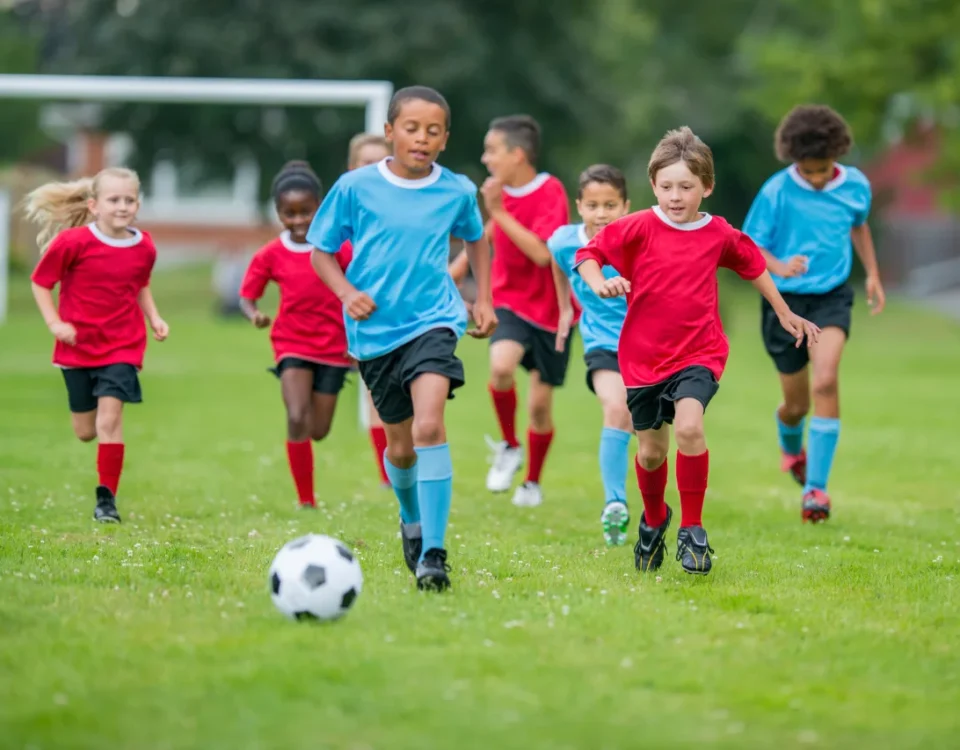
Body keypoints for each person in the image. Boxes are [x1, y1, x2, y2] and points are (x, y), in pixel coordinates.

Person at [575, 126, 820, 575]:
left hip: (699, 353)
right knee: (651, 452)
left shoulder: (718, 233)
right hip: (643, 359)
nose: (675, 195)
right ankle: (654, 520)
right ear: (653, 186)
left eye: (686, 186)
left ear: (706, 187)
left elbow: (754, 265)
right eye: (666, 186)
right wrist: (599, 283)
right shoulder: (637, 227)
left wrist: (785, 313)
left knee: (689, 427)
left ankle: (693, 529)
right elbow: (588, 254)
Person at [308, 85, 497, 592]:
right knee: (401, 448)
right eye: (411, 128)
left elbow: (476, 237)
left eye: (432, 131)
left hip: (434, 321)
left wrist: (482, 298)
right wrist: (347, 292)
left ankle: (434, 552)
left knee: (430, 425)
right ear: (390, 132)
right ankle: (410, 518)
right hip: (374, 332)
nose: (421, 138)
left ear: (445, 139)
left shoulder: (456, 190)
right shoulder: (354, 187)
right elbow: (320, 252)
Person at [743, 104, 884, 523]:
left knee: (826, 381)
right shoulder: (775, 192)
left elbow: (859, 226)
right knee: (796, 406)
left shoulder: (856, 186)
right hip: (784, 306)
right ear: (794, 160)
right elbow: (749, 248)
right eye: (809, 171)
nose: (818, 178)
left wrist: (873, 273)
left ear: (837, 155)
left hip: (831, 299)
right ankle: (790, 446)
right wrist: (781, 265)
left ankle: (816, 491)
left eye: (824, 169)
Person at [26, 167, 168, 524]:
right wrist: (55, 323)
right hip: (77, 348)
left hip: (123, 346)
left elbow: (139, 284)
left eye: (129, 200)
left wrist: (154, 317)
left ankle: (107, 501)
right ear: (94, 205)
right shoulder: (72, 243)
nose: (123, 206)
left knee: (110, 419)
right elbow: (41, 282)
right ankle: (104, 484)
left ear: (138, 203)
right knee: (86, 431)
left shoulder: (145, 246)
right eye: (114, 199)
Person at [239, 161, 352, 509]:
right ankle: (306, 501)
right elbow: (247, 295)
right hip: (292, 343)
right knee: (296, 416)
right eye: (290, 213)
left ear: (320, 207)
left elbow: (362, 285)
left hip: (335, 348)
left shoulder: (339, 247)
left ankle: (307, 484)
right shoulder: (271, 253)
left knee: (318, 429)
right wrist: (255, 313)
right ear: (278, 213)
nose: (299, 220)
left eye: (307, 211)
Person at [480, 114, 574, 508]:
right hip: (510, 304)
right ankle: (509, 445)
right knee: (500, 367)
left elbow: (542, 253)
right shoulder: (499, 195)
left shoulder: (550, 190)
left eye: (492, 151)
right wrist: (450, 274)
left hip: (554, 314)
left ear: (517, 154)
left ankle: (532, 482)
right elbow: (483, 242)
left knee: (539, 407)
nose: (486, 159)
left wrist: (499, 211)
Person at [549, 164, 633, 546]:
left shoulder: (639, 240)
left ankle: (651, 503)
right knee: (616, 409)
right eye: (594, 205)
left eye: (611, 205)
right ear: (579, 206)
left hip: (648, 343)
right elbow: (559, 262)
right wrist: (566, 308)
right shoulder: (565, 240)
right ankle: (614, 503)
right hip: (601, 342)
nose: (602, 214)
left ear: (626, 206)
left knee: (648, 434)